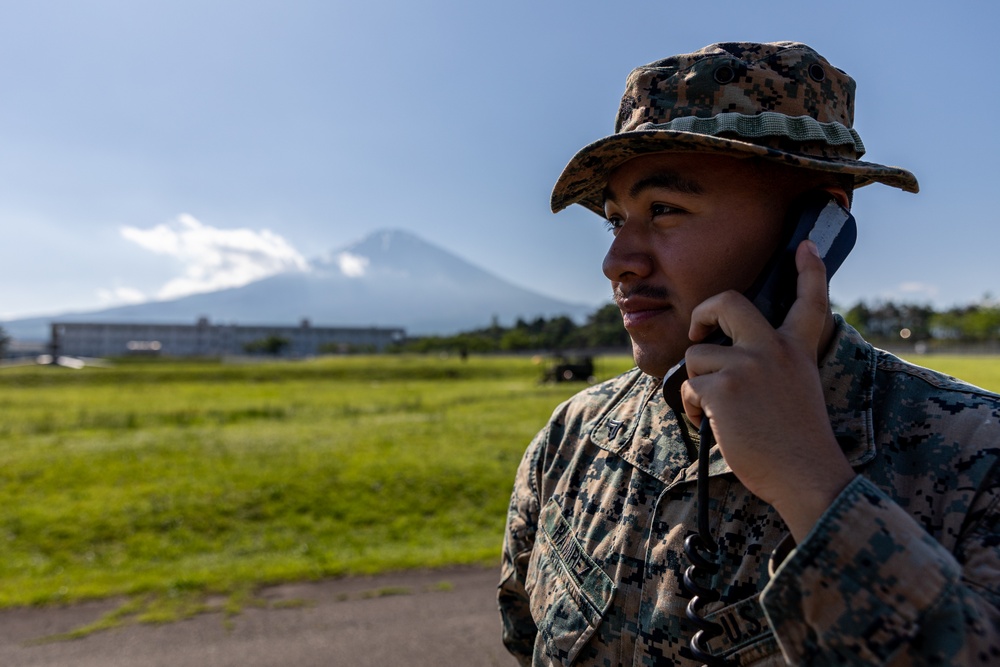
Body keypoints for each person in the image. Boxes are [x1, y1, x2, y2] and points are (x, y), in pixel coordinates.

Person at [498, 41, 1000, 666]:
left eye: (664, 210)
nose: (616, 262)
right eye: (614, 219)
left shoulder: (977, 458)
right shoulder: (574, 440)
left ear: (816, 232)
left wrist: (812, 483)